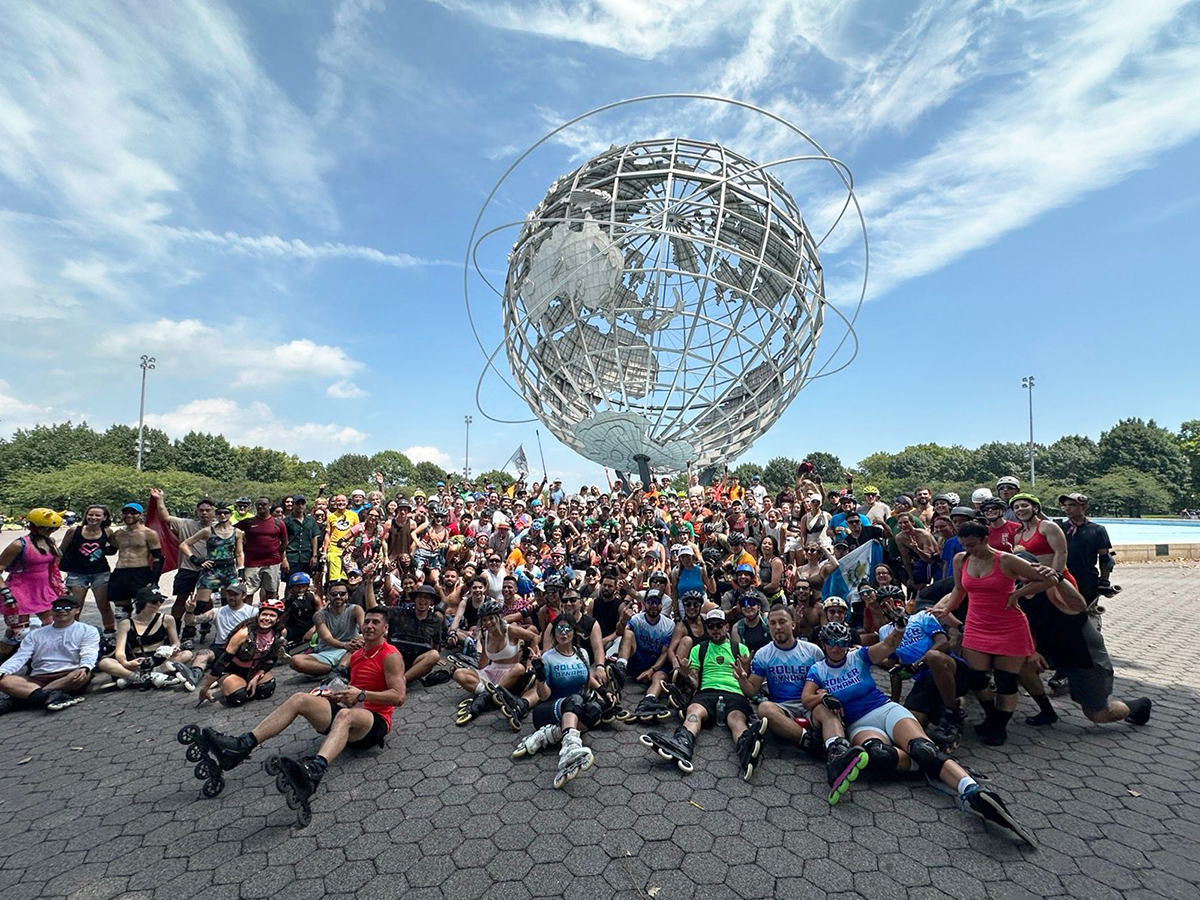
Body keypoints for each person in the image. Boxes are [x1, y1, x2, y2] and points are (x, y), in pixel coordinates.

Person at [803, 621, 1034, 845]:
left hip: (884, 710)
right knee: (878, 755)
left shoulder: (858, 656)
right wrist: (823, 697)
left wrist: (900, 627)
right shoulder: (818, 670)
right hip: (859, 724)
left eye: (841, 642)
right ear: (823, 644)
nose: (836, 647)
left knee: (922, 747)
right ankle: (931, 767)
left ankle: (971, 790)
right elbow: (807, 699)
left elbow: (888, 646)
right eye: (831, 642)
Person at [177, 605, 405, 824]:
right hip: (352, 710)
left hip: (374, 721)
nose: (369, 626)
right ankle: (242, 745)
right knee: (299, 699)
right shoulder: (356, 654)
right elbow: (353, 691)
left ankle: (315, 769)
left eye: (376, 623)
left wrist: (361, 695)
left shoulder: (390, 655)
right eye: (367, 621)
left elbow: (398, 696)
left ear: (385, 629)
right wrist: (335, 694)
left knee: (345, 716)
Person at [931, 522, 1055, 746]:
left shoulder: (1006, 560)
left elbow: (1048, 578)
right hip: (977, 624)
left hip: (1009, 625)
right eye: (964, 545)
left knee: (1005, 680)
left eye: (973, 545)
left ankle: (1000, 726)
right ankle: (992, 716)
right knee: (977, 677)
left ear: (985, 540)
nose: (970, 550)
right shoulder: (962, 559)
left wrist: (1018, 594)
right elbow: (959, 589)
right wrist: (946, 609)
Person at [1016, 554, 1151, 727]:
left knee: (1098, 714)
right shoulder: (1018, 591)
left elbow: (1079, 606)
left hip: (1082, 652)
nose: (1019, 571)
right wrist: (1031, 650)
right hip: (1052, 648)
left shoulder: (1053, 588)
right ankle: (1047, 712)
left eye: (1025, 567)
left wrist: (1058, 579)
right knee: (1020, 663)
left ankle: (1138, 705)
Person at [641, 608, 768, 780]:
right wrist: (686, 674)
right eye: (711, 626)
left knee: (737, 718)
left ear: (726, 627)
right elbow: (695, 683)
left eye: (719, 625)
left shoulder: (741, 649)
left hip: (733, 692)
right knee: (693, 711)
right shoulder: (699, 649)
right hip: (706, 691)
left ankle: (745, 744)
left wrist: (745, 670)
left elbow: (747, 686)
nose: (715, 629)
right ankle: (683, 741)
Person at [738, 604, 830, 773]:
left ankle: (836, 749)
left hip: (809, 704)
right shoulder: (763, 654)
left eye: (782, 622)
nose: (777, 627)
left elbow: (826, 682)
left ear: (793, 624)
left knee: (827, 708)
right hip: (782, 707)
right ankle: (810, 742)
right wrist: (743, 679)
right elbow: (751, 691)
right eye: (772, 623)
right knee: (764, 708)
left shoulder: (813, 651)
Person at [0, 594, 98, 713]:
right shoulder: (35, 634)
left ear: (77, 610)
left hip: (68, 675)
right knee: (4, 680)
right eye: (57, 608)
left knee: (81, 675)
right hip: (38, 677)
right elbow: (20, 657)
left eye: (67, 608)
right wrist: (3, 671)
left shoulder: (88, 630)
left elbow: (89, 652)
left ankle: (29, 697)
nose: (62, 611)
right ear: (51, 611)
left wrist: (85, 667)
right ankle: (49, 696)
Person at [95, 588, 195, 690]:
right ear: (142, 603)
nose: (158, 604)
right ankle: (139, 677)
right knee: (104, 662)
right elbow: (119, 651)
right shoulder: (125, 623)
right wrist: (126, 663)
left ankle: (143, 676)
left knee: (187, 654)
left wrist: (172, 650)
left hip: (158, 659)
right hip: (135, 661)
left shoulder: (167, 619)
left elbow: (175, 642)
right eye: (153, 602)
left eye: (161, 601)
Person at [178, 502, 245, 639]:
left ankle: (228, 631)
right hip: (211, 570)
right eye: (219, 512)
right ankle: (189, 632)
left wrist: (241, 570)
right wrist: (196, 559)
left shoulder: (237, 532)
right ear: (216, 514)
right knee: (201, 603)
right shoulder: (208, 531)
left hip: (229, 570)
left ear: (231, 514)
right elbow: (184, 544)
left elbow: (239, 553)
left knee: (229, 602)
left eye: (226, 512)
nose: (222, 515)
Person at [611, 588, 676, 721]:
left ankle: (649, 700)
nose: (653, 605)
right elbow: (620, 633)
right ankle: (621, 668)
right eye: (650, 602)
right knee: (628, 633)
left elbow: (665, 653)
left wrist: (651, 670)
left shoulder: (668, 625)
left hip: (656, 662)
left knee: (660, 677)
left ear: (661, 605)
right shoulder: (636, 619)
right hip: (638, 659)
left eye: (656, 602)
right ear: (644, 603)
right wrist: (623, 621)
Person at [0, 508, 66, 637]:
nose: (51, 531)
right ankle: (10, 655)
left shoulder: (50, 542)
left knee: (54, 628)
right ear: (35, 527)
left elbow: (54, 567)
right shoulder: (19, 544)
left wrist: (59, 585)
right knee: (20, 634)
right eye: (47, 529)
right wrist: (5, 592)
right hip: (20, 591)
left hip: (45, 590)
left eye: (54, 529)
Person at [58, 505, 116, 633]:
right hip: (77, 573)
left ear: (104, 517)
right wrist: (55, 571)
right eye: (90, 515)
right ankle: (72, 632)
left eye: (97, 515)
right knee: (75, 606)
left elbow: (113, 548)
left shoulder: (107, 532)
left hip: (100, 572)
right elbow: (61, 550)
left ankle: (110, 632)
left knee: (104, 606)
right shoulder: (74, 531)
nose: (93, 518)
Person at [290, 580, 363, 679]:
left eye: (342, 594)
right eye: (334, 594)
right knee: (295, 661)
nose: (338, 596)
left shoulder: (355, 609)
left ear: (347, 595)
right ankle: (334, 671)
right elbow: (327, 638)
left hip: (350, 651)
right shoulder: (319, 615)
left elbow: (365, 629)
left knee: (360, 645)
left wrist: (359, 640)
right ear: (328, 596)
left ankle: (340, 669)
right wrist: (345, 645)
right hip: (327, 653)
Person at [106, 502, 164, 618]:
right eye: (126, 512)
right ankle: (124, 633)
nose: (129, 515)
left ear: (140, 515)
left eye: (133, 513)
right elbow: (110, 551)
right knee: (121, 609)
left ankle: (142, 633)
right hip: (120, 572)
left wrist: (154, 580)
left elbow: (158, 557)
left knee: (143, 607)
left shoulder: (149, 533)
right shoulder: (118, 533)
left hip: (140, 572)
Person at [386, 584, 445, 684]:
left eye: (427, 597)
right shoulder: (400, 613)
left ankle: (401, 682)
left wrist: (433, 660)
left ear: (431, 602)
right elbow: (373, 607)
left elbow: (436, 645)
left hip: (416, 663)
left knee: (434, 655)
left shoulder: (435, 620)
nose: (422, 600)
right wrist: (370, 583)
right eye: (420, 596)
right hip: (395, 659)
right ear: (414, 599)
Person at [236, 497, 288, 601]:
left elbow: (285, 541)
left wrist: (279, 554)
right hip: (252, 563)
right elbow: (230, 530)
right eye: (258, 504)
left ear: (269, 506)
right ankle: (248, 615)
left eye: (264, 504)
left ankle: (268, 613)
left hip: (272, 562)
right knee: (248, 592)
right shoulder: (248, 522)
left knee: (271, 592)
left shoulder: (278, 523)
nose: (261, 506)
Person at [285, 496, 321, 578]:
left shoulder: (311, 520)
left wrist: (314, 555)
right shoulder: (286, 521)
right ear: (293, 505)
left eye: (302, 504)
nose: (300, 506)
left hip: (306, 557)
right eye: (297, 504)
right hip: (292, 557)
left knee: (305, 581)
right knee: (291, 583)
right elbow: (283, 540)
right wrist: (284, 559)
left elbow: (314, 537)